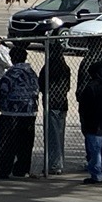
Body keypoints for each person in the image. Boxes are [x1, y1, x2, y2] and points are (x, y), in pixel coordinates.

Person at [0, 46, 40, 179]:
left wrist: (2, 103)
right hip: (29, 112)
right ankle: (21, 169)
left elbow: (3, 90)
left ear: (12, 58)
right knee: (25, 144)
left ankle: (3, 170)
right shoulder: (31, 73)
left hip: (11, 113)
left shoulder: (10, 74)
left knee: (7, 144)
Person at [39, 41, 72, 174]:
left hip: (51, 103)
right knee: (59, 134)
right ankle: (58, 162)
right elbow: (68, 86)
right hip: (62, 103)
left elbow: (41, 84)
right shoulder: (65, 67)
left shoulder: (48, 67)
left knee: (52, 136)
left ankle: (53, 164)